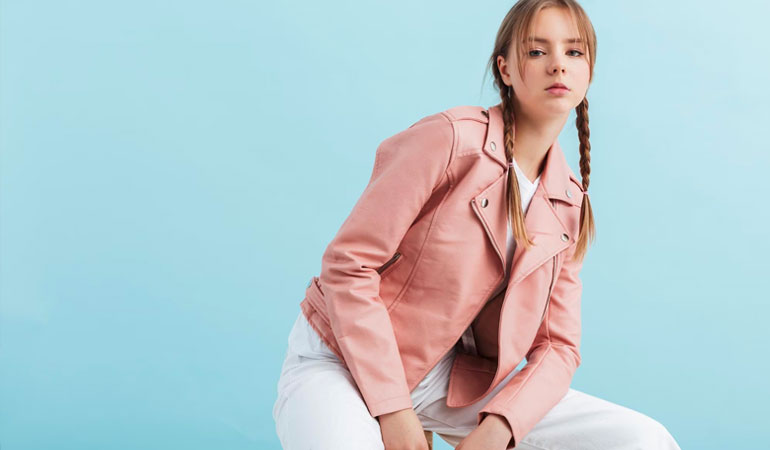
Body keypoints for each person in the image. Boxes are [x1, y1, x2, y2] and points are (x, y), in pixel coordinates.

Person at [273, 0, 682, 448]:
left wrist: (499, 427)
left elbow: (558, 347)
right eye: (537, 51)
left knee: (643, 439)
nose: (558, 65)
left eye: (574, 52)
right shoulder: (450, 140)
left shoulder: (568, 201)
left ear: (590, 71)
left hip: (448, 383)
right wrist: (395, 411)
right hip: (342, 359)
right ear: (505, 69)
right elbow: (349, 265)